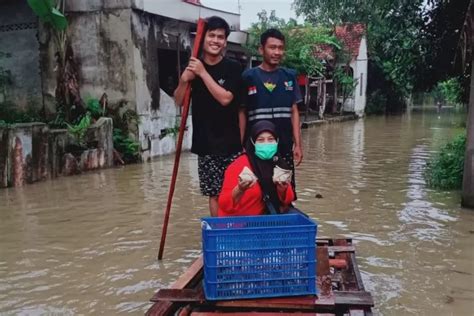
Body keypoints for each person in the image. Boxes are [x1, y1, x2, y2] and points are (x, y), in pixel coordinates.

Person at [174, 16, 244, 217]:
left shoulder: (232, 67)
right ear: (202, 39)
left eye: (220, 37)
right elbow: (178, 101)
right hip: (206, 144)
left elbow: (225, 99)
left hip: (232, 144)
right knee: (213, 194)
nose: (215, 40)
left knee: (237, 191)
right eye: (211, 35)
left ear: (225, 41)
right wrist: (184, 80)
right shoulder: (192, 68)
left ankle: (237, 232)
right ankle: (220, 237)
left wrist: (203, 73)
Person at [241, 28, 303, 194]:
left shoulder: (289, 77)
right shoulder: (248, 77)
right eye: (272, 47)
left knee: (285, 189)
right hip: (257, 147)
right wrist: (241, 146)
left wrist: (298, 144)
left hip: (283, 146)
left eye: (280, 48)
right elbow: (241, 113)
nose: (277, 52)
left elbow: (294, 111)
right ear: (261, 49)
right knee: (256, 191)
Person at [218, 120, 295, 217]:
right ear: (253, 142)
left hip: (263, 220)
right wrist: (240, 189)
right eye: (260, 140)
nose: (266, 144)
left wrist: (283, 189)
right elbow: (223, 204)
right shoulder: (240, 165)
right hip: (236, 223)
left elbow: (288, 199)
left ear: (277, 141)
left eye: (271, 139)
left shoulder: (279, 163)